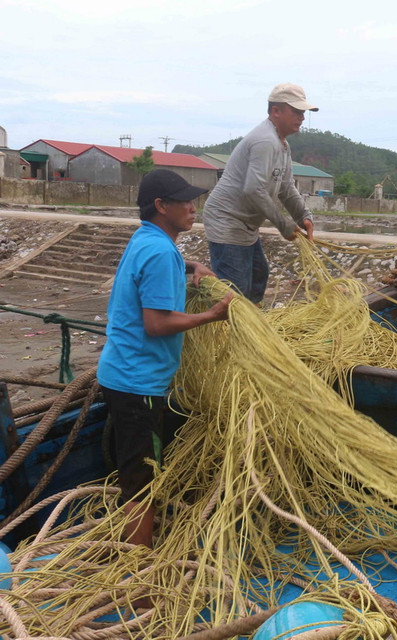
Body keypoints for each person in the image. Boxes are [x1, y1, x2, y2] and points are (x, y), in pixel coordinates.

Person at [97, 169, 233, 549]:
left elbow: (158, 262)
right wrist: (211, 315)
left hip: (122, 372)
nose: (194, 208)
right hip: (138, 383)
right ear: (161, 206)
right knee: (142, 483)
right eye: (185, 201)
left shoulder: (148, 240)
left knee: (138, 472)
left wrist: (191, 266)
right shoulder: (159, 251)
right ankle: (140, 580)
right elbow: (157, 324)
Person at [203, 83, 317, 303]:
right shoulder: (265, 141)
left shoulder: (282, 145)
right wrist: (284, 225)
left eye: (303, 112)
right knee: (235, 291)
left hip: (246, 224)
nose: (302, 117)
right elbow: (253, 190)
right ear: (276, 111)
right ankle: (229, 330)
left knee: (258, 275)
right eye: (296, 111)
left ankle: (252, 322)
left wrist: (303, 216)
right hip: (227, 220)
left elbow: (285, 187)